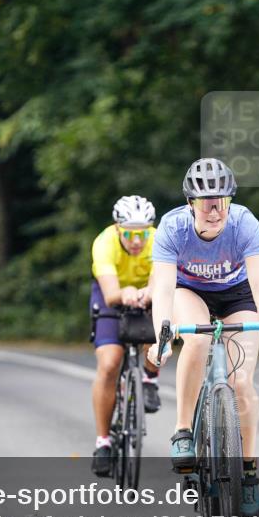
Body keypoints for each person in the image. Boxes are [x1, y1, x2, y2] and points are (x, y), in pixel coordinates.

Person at [147, 158, 259, 517]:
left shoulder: (245, 224)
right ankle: (183, 431)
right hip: (190, 292)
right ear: (190, 204)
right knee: (195, 341)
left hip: (237, 294)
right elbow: (164, 289)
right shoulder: (172, 227)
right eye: (205, 203)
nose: (215, 211)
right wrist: (161, 337)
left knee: (241, 383)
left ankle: (248, 474)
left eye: (222, 201)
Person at [90, 196, 162, 477]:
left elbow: (160, 279)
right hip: (113, 297)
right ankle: (103, 442)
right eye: (130, 233)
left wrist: (148, 293)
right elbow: (110, 293)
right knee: (110, 363)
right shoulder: (104, 242)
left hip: (148, 295)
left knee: (161, 333)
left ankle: (149, 378)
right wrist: (126, 294)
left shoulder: (159, 240)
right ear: (118, 228)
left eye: (142, 233)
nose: (136, 240)